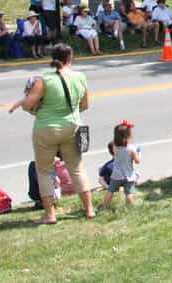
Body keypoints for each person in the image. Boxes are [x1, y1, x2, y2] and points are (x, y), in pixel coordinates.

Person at [17, 43, 94, 223]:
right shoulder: (81, 77)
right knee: (76, 168)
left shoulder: (44, 80)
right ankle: (89, 209)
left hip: (46, 128)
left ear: (53, 59)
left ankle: (50, 214)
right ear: (70, 58)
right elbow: (85, 106)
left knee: (44, 171)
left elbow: (27, 105)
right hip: (72, 125)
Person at [100, 121, 141, 209]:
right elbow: (137, 161)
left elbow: (115, 156)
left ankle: (104, 207)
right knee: (129, 193)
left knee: (110, 191)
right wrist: (139, 153)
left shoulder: (115, 147)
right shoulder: (131, 149)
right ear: (128, 136)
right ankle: (129, 208)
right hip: (128, 175)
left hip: (116, 175)